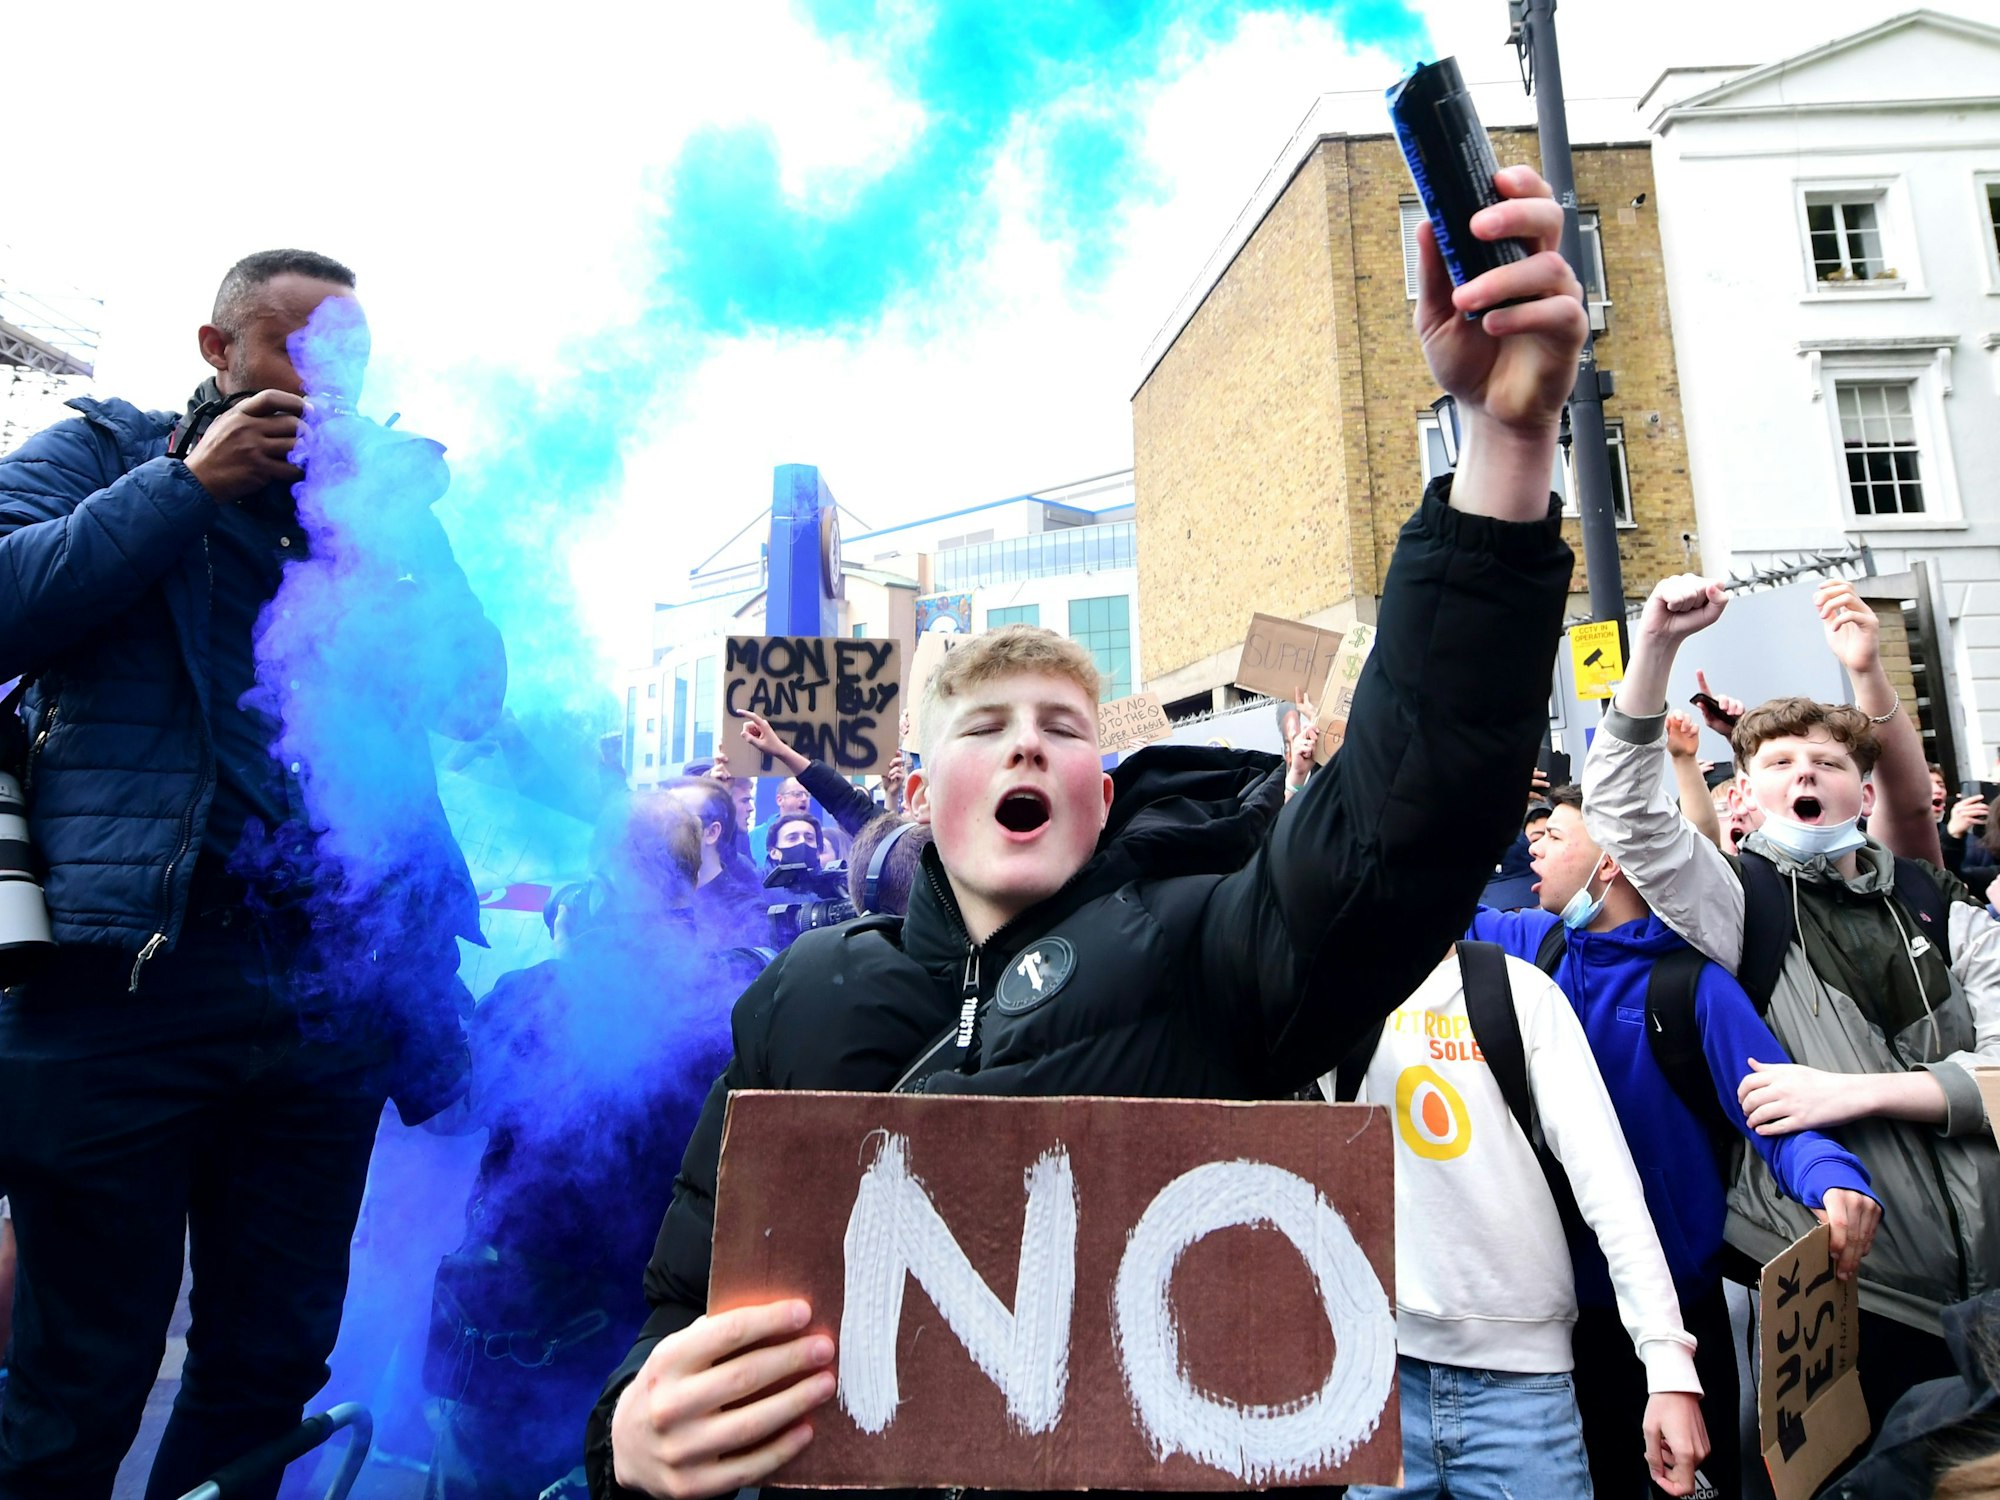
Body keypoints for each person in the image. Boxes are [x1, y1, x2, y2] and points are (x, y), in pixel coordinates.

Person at [589, 163, 1590, 1500]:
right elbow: (687, 1304)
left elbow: (1400, 827)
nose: (1023, 745)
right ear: (921, 791)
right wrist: (629, 1438)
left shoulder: (1205, 959)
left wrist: (1506, 444)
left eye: (1061, 731)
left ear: (1101, 795)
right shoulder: (807, 1000)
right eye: (985, 727)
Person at [0, 249, 504, 1498]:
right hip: (124, 983)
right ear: (218, 350)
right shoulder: (103, 457)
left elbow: (475, 699)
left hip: (326, 995)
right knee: (85, 1368)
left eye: (347, 362)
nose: (319, 383)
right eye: (290, 347)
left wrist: (401, 546)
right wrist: (184, 485)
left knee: (268, 1361)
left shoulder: (374, 515)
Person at [1584, 572, 2000, 1430]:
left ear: (1864, 791)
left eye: (1829, 763)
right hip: (1842, 1287)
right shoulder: (1737, 901)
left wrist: (1857, 1092)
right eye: (1779, 762)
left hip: (1986, 1293)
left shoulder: (1937, 904)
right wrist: (1656, 646)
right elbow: (1624, 810)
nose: (1804, 775)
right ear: (1746, 793)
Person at [1473, 785, 1880, 1500]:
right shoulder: (1527, 945)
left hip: (1676, 1323)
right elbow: (1417, 904)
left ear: (1613, 866)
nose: (1534, 846)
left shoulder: (1694, 987)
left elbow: (1777, 1109)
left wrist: (1832, 1178)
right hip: (1547, 1319)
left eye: (1556, 836)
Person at [423, 794, 741, 1498]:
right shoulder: (736, 1001)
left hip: (528, 1339)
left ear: (602, 875)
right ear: (691, 870)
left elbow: (450, 1113)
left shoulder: (537, 994)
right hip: (666, 1337)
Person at [1338, 945, 1709, 1500]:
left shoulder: (1520, 992)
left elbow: (1610, 1189)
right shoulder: (1331, 997)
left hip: (1523, 1395)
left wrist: (1668, 1366)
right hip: (1381, 1382)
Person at [660, 775, 765, 949]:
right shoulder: (651, 895)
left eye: (675, 819)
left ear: (711, 832)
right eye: (659, 818)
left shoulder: (746, 913)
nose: (662, 828)